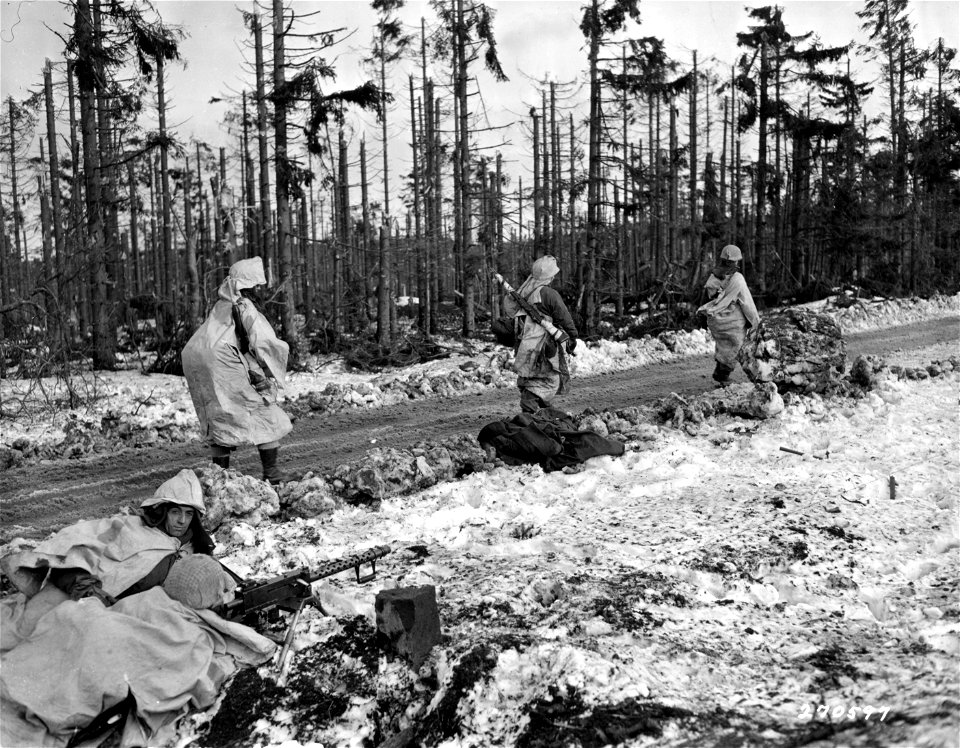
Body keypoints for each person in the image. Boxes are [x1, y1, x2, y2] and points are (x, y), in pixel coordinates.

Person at [0, 469, 218, 632]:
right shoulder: (127, 529)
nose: (182, 521)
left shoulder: (191, 550)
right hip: (90, 608)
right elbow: (72, 554)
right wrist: (91, 594)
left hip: (143, 622)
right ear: (161, 511)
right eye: (175, 512)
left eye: (188, 514)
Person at [182, 256, 294, 484]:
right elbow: (262, 341)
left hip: (195, 357)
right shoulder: (243, 305)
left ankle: (219, 478)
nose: (260, 290)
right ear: (250, 285)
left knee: (219, 412)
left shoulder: (221, 305)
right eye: (258, 285)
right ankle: (272, 474)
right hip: (221, 359)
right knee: (263, 410)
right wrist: (278, 358)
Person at [502, 255, 579, 413]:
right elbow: (564, 316)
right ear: (549, 276)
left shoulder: (524, 291)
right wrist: (572, 335)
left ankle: (543, 408)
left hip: (525, 342)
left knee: (531, 374)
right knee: (549, 378)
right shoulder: (549, 294)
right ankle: (530, 405)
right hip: (543, 344)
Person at [697, 244, 760, 384]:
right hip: (733, 322)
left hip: (716, 320)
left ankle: (720, 372)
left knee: (723, 345)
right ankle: (722, 376)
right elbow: (747, 302)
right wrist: (756, 322)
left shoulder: (713, 277)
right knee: (736, 346)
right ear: (736, 261)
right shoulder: (737, 279)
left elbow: (710, 298)